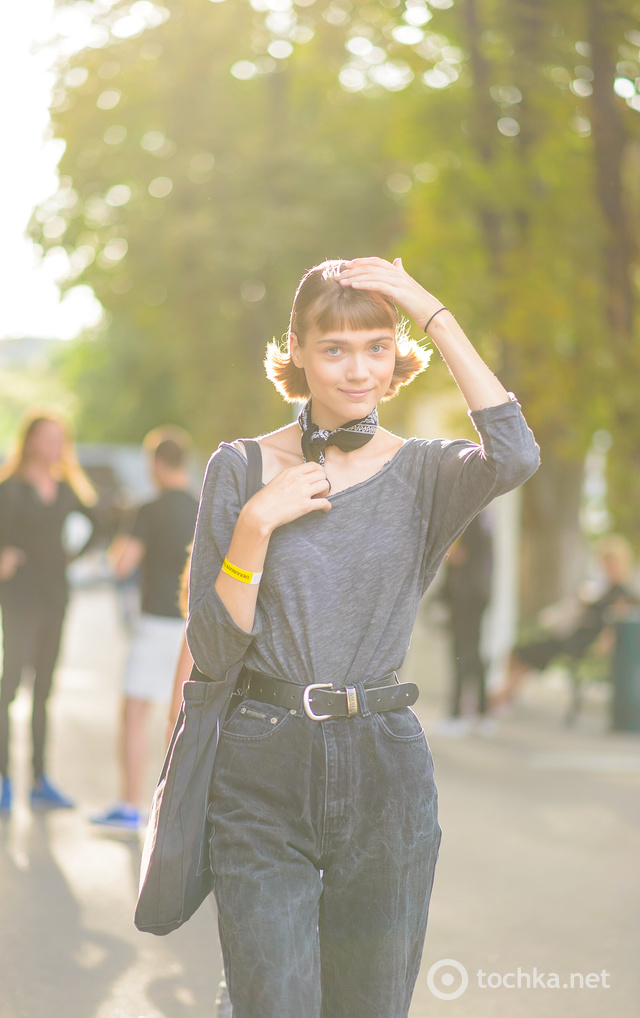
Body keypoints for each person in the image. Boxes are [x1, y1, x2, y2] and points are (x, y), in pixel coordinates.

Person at [184, 256, 540, 1018]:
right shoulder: (241, 468)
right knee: (273, 1003)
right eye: (335, 348)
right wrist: (255, 526)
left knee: (370, 1006)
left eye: (377, 346)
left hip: (385, 765)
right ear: (299, 352)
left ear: (396, 357)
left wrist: (432, 311)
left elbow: (515, 455)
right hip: (261, 762)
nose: (356, 370)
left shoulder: (426, 473)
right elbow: (215, 650)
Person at [0, 409, 99, 816]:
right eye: (48, 437)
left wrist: (70, 557)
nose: (56, 444)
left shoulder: (66, 486)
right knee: (10, 688)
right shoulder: (9, 487)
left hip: (55, 595)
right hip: (17, 596)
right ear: (31, 441)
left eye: (60, 437)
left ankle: (39, 780)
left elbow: (98, 523)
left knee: (44, 691)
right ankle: (5, 780)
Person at [91, 427, 198, 831]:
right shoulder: (204, 506)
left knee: (134, 714)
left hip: (155, 623)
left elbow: (122, 565)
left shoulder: (147, 510)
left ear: (154, 463)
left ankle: (130, 805)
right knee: (183, 718)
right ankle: (180, 811)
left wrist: (116, 540)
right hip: (193, 627)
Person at [494, 533, 638, 707]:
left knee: (522, 654)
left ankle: (501, 697)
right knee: (518, 653)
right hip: (569, 637)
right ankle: (505, 695)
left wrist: (605, 639)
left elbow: (617, 623)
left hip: (577, 643)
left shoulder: (621, 593)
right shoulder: (603, 588)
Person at [437, 510, 493, 735]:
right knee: (471, 653)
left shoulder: (471, 518)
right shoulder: (481, 520)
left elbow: (459, 556)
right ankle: (480, 712)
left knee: (462, 654)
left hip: (467, 599)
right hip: (471, 598)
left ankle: (459, 714)